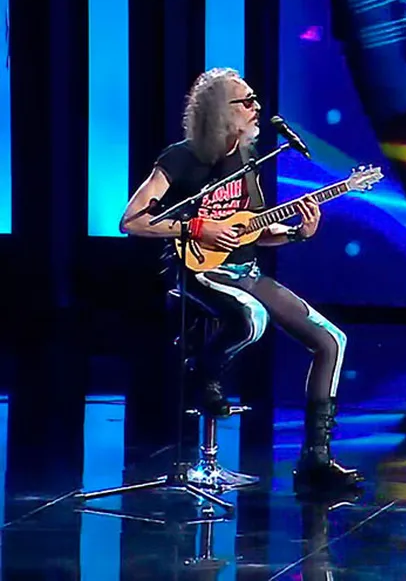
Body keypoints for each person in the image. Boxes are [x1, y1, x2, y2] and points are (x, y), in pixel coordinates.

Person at [120, 67, 362, 496]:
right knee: (252, 318)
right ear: (220, 111)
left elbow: (251, 229)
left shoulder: (247, 161)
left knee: (332, 341)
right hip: (196, 272)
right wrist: (198, 228)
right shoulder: (181, 158)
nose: (257, 108)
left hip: (245, 272)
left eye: (255, 99)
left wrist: (296, 233)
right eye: (246, 101)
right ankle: (204, 372)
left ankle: (316, 460)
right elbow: (133, 221)